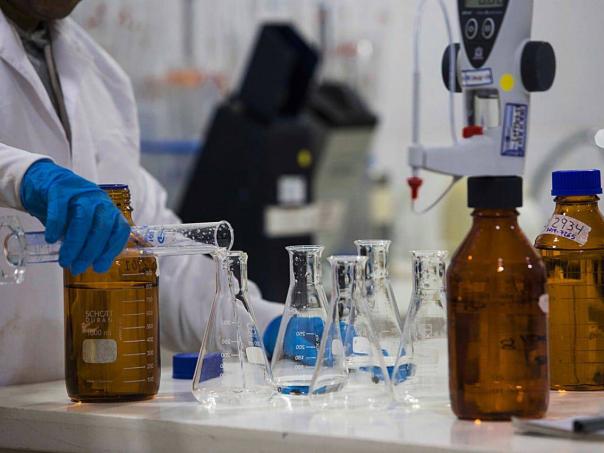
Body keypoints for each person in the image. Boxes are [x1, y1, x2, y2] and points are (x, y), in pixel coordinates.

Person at [0, 0, 284, 386]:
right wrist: (23, 175)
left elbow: (151, 254)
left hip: (56, 402)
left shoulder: (101, 76)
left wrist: (264, 323)